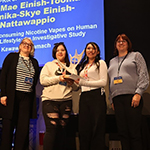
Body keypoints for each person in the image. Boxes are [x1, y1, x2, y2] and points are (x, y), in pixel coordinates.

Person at [108, 33, 149, 150]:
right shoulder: (112, 61)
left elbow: (144, 75)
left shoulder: (136, 55)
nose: (121, 43)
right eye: (118, 41)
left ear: (128, 44)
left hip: (132, 97)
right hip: (117, 99)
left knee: (134, 133)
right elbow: (110, 81)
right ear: (115, 45)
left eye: (123, 41)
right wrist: (111, 99)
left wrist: (138, 93)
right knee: (122, 133)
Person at [0, 37, 39, 150]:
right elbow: (3, 76)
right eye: (24, 43)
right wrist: (3, 94)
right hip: (12, 97)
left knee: (22, 130)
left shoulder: (34, 62)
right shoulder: (12, 57)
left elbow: (34, 79)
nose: (26, 45)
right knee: (8, 128)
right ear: (20, 46)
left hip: (26, 98)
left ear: (32, 48)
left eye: (29, 44)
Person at [40, 42, 79, 150]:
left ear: (66, 52)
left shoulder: (72, 67)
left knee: (62, 130)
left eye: (62, 50)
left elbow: (76, 88)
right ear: (54, 53)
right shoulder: (49, 65)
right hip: (50, 100)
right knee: (51, 129)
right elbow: (43, 81)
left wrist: (72, 83)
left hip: (66, 101)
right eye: (58, 50)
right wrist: (59, 79)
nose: (60, 52)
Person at [75, 42, 108, 150]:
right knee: (84, 129)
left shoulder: (101, 63)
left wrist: (83, 83)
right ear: (85, 51)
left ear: (97, 51)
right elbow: (79, 83)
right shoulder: (82, 66)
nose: (91, 50)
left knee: (97, 129)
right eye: (88, 48)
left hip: (96, 96)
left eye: (94, 48)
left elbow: (103, 82)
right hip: (84, 97)